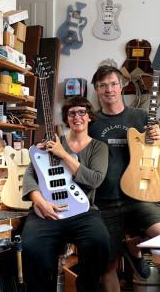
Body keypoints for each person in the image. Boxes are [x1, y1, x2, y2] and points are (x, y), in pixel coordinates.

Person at [88, 65, 160, 292]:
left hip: (138, 195)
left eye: (113, 84)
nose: (109, 89)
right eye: (103, 85)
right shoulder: (91, 122)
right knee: (108, 265)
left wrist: (158, 136)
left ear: (122, 86)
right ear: (97, 90)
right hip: (103, 199)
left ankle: (133, 244)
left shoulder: (141, 116)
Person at [21, 96, 111, 292]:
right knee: (31, 248)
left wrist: (63, 154)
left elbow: (95, 179)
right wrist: (39, 202)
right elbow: (29, 176)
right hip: (46, 210)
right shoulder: (51, 143)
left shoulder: (98, 147)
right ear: (67, 118)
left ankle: (86, 286)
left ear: (89, 117)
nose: (77, 116)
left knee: (100, 242)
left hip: (83, 210)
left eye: (82, 112)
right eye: (71, 113)